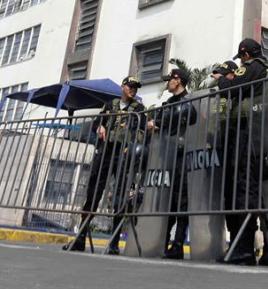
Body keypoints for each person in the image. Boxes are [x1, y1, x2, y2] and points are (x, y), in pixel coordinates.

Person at [63, 76, 146, 255]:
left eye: (136, 87)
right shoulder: (110, 105)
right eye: (131, 86)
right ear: (123, 86)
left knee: (119, 197)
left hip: (123, 154)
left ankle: (114, 244)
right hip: (105, 152)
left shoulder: (139, 109)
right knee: (93, 193)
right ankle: (80, 239)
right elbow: (97, 123)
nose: (133, 89)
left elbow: (142, 130)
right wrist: (99, 127)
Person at [212, 38, 268, 266]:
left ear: (245, 55)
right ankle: (246, 247)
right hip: (259, 132)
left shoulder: (252, 67)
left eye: (242, 58)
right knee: (249, 188)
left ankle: (244, 249)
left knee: (244, 187)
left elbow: (230, 89)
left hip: (248, 131)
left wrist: (221, 81)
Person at [148, 68, 195, 260]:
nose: (168, 83)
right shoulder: (168, 103)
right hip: (166, 155)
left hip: (182, 155)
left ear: (178, 80)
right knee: (167, 199)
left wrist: (158, 123)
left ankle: (177, 244)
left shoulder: (189, 102)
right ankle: (164, 241)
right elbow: (158, 123)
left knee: (181, 200)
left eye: (170, 80)